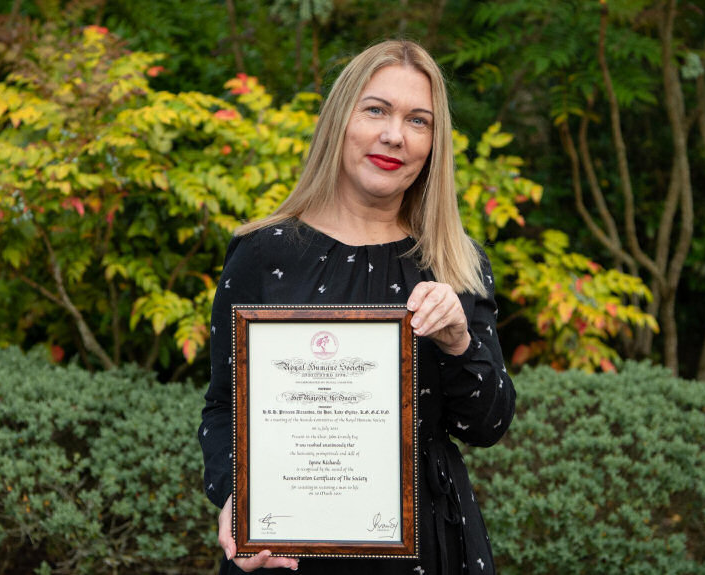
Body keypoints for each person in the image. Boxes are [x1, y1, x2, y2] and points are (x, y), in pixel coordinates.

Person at [198, 39, 515, 575]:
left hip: (427, 550)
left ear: (434, 145)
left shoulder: (455, 262)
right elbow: (223, 409)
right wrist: (238, 500)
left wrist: (459, 340)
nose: (395, 135)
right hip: (288, 552)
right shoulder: (263, 253)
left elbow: (487, 425)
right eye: (376, 110)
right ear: (339, 120)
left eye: (419, 121)